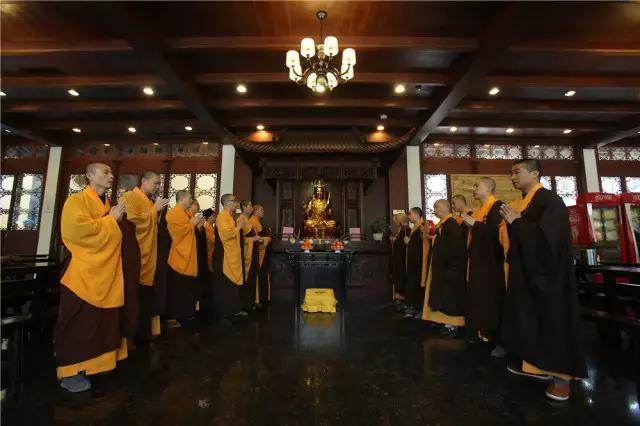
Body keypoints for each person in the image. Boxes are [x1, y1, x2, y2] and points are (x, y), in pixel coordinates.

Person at [500, 159, 586, 401]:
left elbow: (549, 241)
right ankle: (535, 366)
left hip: (550, 278)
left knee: (553, 322)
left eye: (517, 172)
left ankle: (562, 379)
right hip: (528, 274)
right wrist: (516, 224)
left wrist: (517, 223)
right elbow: (522, 234)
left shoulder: (549, 200)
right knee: (530, 320)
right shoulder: (528, 201)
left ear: (535, 174)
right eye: (511, 173)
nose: (513, 177)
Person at [55, 163, 128, 392]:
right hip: (83, 275)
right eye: (105, 172)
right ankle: (70, 372)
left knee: (103, 322)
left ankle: (97, 364)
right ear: (89, 176)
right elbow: (76, 232)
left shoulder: (106, 204)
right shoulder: (76, 201)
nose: (111, 175)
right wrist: (111, 220)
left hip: (105, 273)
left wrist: (113, 219)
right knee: (79, 323)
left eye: (111, 172)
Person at [461, 177, 508, 354]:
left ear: (488, 188)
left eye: (477, 186)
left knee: (491, 299)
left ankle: (496, 339)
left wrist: (475, 224)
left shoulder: (497, 206)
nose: (474, 188)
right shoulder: (479, 210)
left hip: (491, 264)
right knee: (479, 299)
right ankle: (483, 333)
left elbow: (495, 235)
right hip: (478, 262)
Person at [120, 171, 169, 341]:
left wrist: (156, 211)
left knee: (146, 296)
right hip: (136, 253)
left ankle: (142, 333)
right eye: (155, 183)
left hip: (149, 254)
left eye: (159, 184)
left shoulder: (149, 201)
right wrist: (154, 211)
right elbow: (133, 221)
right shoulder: (129, 197)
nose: (158, 187)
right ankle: (131, 336)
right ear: (144, 181)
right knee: (134, 295)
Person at [422, 200, 466, 335]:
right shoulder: (442, 224)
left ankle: (452, 324)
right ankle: (440, 320)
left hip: (451, 268)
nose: (434, 210)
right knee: (441, 296)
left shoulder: (451, 223)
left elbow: (455, 246)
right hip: (442, 267)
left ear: (445, 208)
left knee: (450, 297)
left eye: (436, 207)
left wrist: (435, 239)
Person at [165, 191, 203, 327]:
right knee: (176, 289)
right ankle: (171, 318)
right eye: (190, 198)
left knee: (184, 288)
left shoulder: (185, 214)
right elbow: (177, 234)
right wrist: (191, 224)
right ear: (181, 199)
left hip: (188, 257)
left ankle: (183, 314)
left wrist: (194, 223)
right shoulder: (173, 214)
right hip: (177, 257)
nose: (191, 201)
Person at [211, 194, 246, 321]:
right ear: (227, 203)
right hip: (224, 255)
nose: (236, 203)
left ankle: (234, 309)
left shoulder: (230, 217)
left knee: (232, 284)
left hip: (232, 254)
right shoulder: (222, 217)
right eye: (234, 201)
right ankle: (225, 311)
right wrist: (238, 228)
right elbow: (227, 235)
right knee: (225, 284)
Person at [239, 200, 260, 312]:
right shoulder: (240, 219)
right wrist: (253, 239)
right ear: (244, 207)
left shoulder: (247, 220)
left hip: (252, 251)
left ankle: (251, 302)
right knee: (247, 278)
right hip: (247, 254)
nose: (252, 208)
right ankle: (245, 304)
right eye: (250, 206)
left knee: (252, 277)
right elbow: (239, 239)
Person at [404, 207, 424, 319]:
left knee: (418, 285)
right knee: (412, 284)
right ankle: (413, 307)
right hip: (413, 263)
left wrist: (409, 242)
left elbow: (420, 246)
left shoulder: (422, 227)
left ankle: (420, 309)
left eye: (410, 214)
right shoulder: (413, 228)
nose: (409, 216)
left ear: (416, 214)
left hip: (419, 263)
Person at [250, 204, 272, 305]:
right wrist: (266, 239)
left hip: (264, 251)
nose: (263, 211)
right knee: (260, 274)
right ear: (255, 211)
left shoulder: (258, 221)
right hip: (258, 252)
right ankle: (258, 298)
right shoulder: (252, 221)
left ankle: (263, 297)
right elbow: (255, 238)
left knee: (264, 274)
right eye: (261, 209)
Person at [390, 212, 411, 304]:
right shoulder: (400, 230)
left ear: (400, 221)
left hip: (402, 258)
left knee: (402, 277)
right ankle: (399, 297)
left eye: (396, 220)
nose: (395, 222)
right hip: (398, 258)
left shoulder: (406, 230)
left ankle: (403, 298)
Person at [202, 209, 217, 275]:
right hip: (209, 253)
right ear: (208, 217)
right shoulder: (206, 227)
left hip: (212, 253)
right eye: (213, 216)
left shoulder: (211, 226)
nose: (215, 217)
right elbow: (212, 240)